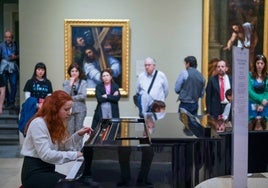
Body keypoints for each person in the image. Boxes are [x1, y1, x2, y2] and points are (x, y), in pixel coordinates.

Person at [20, 90, 99, 188]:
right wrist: (76, 155)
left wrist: (78, 135)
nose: (69, 113)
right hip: (34, 174)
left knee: (77, 183)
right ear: (55, 109)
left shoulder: (54, 123)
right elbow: (46, 155)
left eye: (70, 109)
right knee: (71, 185)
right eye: (66, 109)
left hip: (48, 170)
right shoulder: (38, 124)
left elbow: (62, 146)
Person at [63, 63, 87, 150]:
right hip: (69, 110)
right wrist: (70, 83)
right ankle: (70, 149)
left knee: (79, 130)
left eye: (76, 71)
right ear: (69, 72)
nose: (74, 73)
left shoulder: (83, 82)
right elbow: (65, 95)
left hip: (81, 110)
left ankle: (79, 150)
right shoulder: (66, 82)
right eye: (72, 71)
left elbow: (83, 96)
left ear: (79, 72)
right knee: (70, 130)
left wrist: (71, 98)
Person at [0, 30, 19, 108]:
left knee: (14, 84)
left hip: (13, 67)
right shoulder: (1, 45)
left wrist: (15, 57)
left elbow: (20, 54)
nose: (8, 39)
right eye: (6, 37)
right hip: (4, 67)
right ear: (4, 37)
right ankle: (7, 101)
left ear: (12, 38)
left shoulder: (16, 45)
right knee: (4, 86)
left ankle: (12, 101)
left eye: (9, 37)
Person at [248, 54, 268, 120]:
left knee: (264, 124)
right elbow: (249, 91)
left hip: (265, 104)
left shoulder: (267, 76)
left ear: (264, 65)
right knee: (252, 124)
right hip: (252, 104)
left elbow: (267, 91)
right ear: (255, 64)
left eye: (262, 63)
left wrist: (263, 103)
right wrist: (261, 100)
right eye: (258, 63)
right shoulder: (249, 75)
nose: (260, 65)